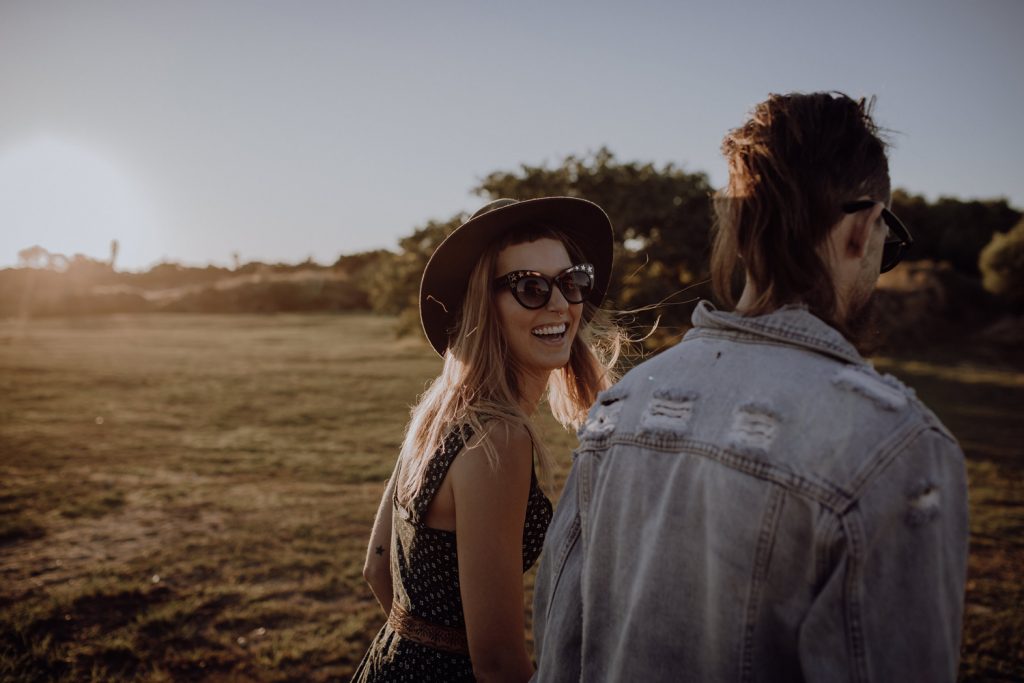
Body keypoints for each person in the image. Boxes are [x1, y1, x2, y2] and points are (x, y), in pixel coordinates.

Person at [532, 92, 969, 682]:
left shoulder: (621, 406)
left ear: (736, 229)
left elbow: (560, 656)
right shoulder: (894, 446)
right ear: (863, 230)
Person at [353, 197, 622, 682]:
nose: (561, 302)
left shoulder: (438, 410)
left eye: (571, 280)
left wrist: (418, 647)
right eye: (531, 287)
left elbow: (377, 568)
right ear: (484, 305)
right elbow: (498, 663)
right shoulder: (498, 436)